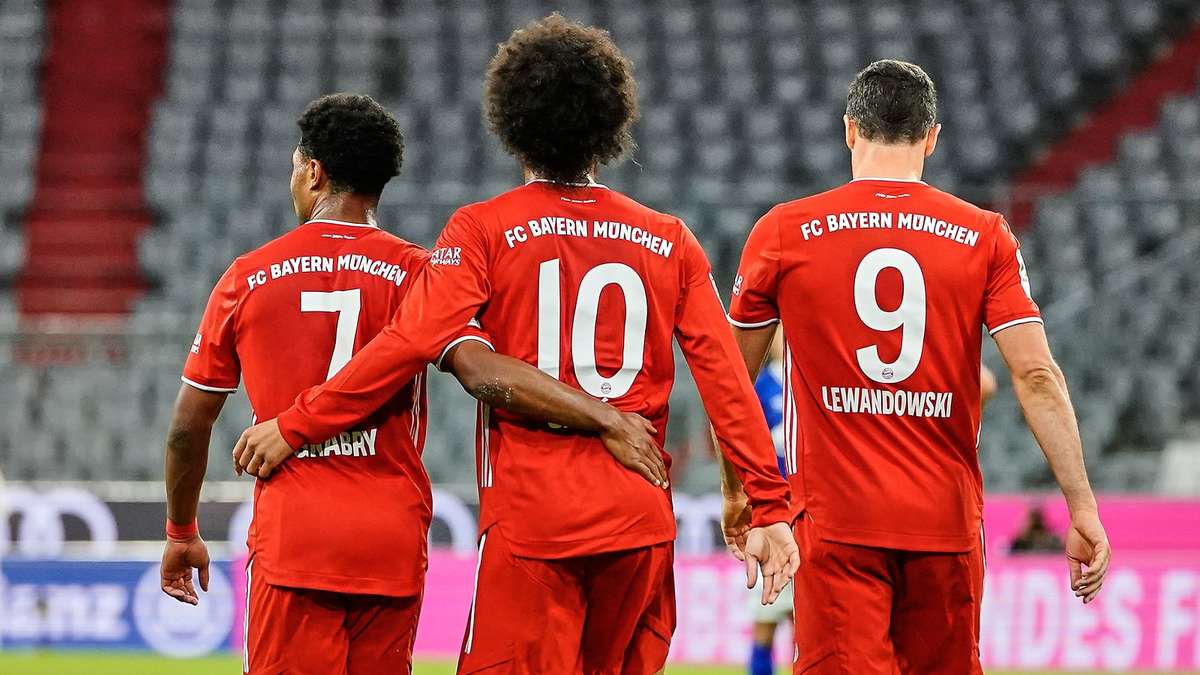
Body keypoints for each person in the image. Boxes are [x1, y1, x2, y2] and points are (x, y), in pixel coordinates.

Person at [233, 15, 799, 674]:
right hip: (639, 518)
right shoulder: (669, 238)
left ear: (513, 121)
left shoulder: (482, 229)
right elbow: (726, 378)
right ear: (609, 124)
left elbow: (407, 341)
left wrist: (296, 424)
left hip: (535, 525)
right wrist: (767, 502)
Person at [159, 93, 665, 675]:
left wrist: (181, 531)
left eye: (295, 166)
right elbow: (477, 368)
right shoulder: (421, 274)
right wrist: (603, 415)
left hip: (294, 537)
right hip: (390, 537)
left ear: (313, 172)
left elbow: (188, 425)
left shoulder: (247, 277)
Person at [719, 60, 1110, 674]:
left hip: (836, 524)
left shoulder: (783, 232)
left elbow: (731, 382)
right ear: (932, 138)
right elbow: (1036, 376)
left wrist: (739, 492)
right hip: (945, 526)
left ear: (850, 130)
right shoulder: (985, 235)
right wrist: (1081, 506)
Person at [745, 331, 793, 675]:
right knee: (765, 618)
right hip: (771, 511)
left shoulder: (809, 381)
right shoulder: (761, 385)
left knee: (806, 622)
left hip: (808, 513)